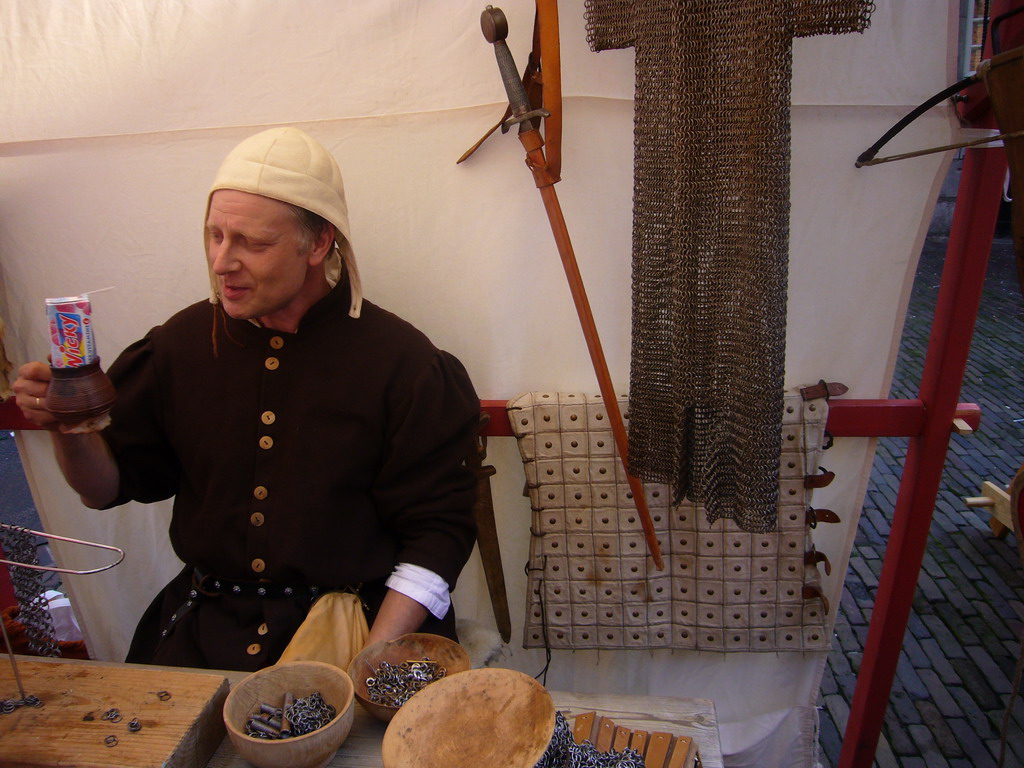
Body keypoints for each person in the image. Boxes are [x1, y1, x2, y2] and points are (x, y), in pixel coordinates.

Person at [13, 127, 480, 671]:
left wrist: (371, 663)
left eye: (253, 243)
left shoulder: (404, 365)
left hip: (356, 630)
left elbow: (438, 535)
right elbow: (103, 489)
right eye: (215, 236)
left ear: (320, 242)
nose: (222, 262)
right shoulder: (179, 345)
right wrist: (70, 427)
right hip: (206, 633)